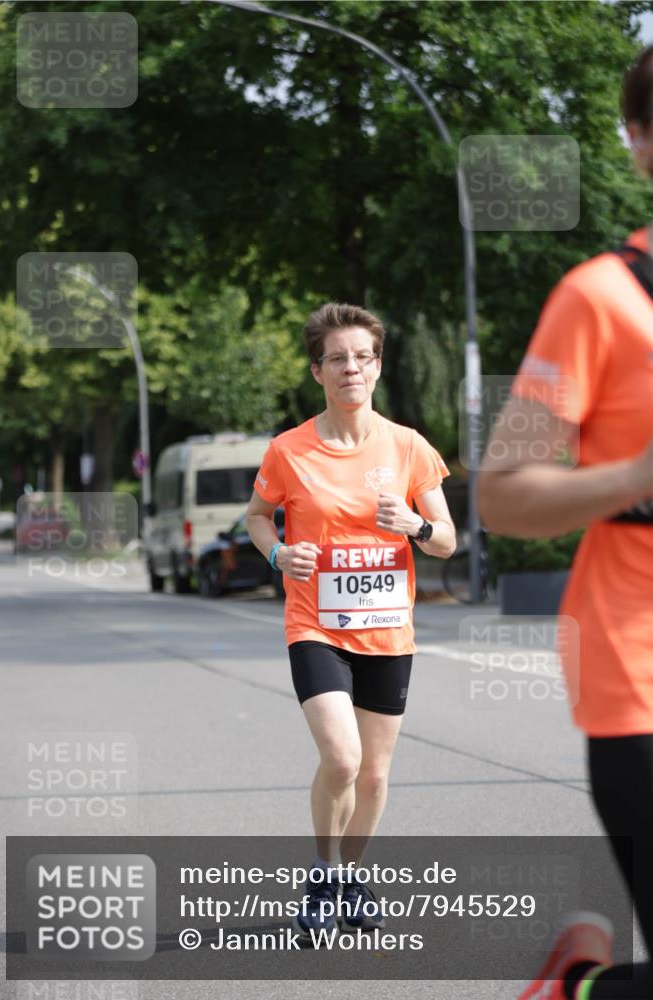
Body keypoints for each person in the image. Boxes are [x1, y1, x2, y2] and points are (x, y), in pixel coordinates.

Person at [478, 46, 653, 1000]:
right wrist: (636, 473)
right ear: (638, 142)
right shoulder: (599, 299)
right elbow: (502, 494)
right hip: (637, 666)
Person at [245, 302, 456, 938]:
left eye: (363, 357)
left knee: (375, 773)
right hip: (316, 625)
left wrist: (416, 525)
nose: (351, 369)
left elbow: (447, 540)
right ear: (318, 371)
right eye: (337, 359)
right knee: (342, 759)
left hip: (388, 630)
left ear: (378, 366)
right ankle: (321, 875)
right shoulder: (288, 450)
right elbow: (257, 517)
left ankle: (352, 878)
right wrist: (279, 553)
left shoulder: (408, 446)